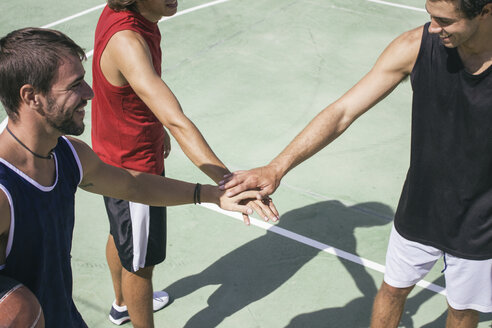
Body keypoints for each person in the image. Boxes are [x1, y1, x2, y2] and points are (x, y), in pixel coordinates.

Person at [220, 0, 492, 327]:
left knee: (462, 311)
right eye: (429, 15)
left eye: (444, 20)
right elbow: (342, 112)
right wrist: (278, 167)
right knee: (392, 291)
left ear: (485, 11)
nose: (433, 27)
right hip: (421, 206)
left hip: (481, 219)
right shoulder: (415, 46)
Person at [0, 27, 258, 328]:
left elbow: (131, 184)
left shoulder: (69, 154)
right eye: (74, 86)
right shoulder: (5, 192)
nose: (90, 92)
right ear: (32, 96)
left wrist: (213, 194)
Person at [91, 0, 278, 326]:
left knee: (121, 233)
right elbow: (178, 121)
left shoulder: (128, 14)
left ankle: (121, 303)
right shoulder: (128, 41)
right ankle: (130, 310)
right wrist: (228, 182)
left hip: (113, 149)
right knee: (140, 265)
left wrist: (153, 124)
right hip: (134, 170)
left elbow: (135, 89)